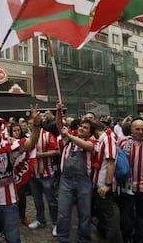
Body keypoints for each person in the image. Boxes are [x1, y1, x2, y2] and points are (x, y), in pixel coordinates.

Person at [0, 105, 42, 243]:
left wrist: (36, 124)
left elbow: (31, 141)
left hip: (9, 204)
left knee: (13, 239)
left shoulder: (9, 148)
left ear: (0, 132)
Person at [56, 102, 96, 243]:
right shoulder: (69, 138)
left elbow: (87, 146)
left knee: (84, 214)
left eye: (85, 128)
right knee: (63, 213)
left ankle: (83, 239)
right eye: (80, 126)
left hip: (83, 181)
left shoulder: (92, 141)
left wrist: (70, 135)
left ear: (90, 132)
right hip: (66, 180)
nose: (81, 129)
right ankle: (62, 239)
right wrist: (58, 111)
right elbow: (60, 127)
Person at [27, 120, 59, 237]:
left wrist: (42, 155)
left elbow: (57, 150)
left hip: (46, 174)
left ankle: (56, 223)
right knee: (37, 200)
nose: (29, 125)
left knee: (51, 201)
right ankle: (40, 220)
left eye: (32, 123)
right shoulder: (28, 136)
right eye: (29, 123)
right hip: (33, 175)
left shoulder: (47, 135)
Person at [92, 122, 123, 243]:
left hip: (104, 185)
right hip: (100, 184)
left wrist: (108, 185)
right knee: (104, 215)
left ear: (94, 131)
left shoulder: (108, 139)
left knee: (110, 218)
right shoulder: (103, 139)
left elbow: (111, 162)